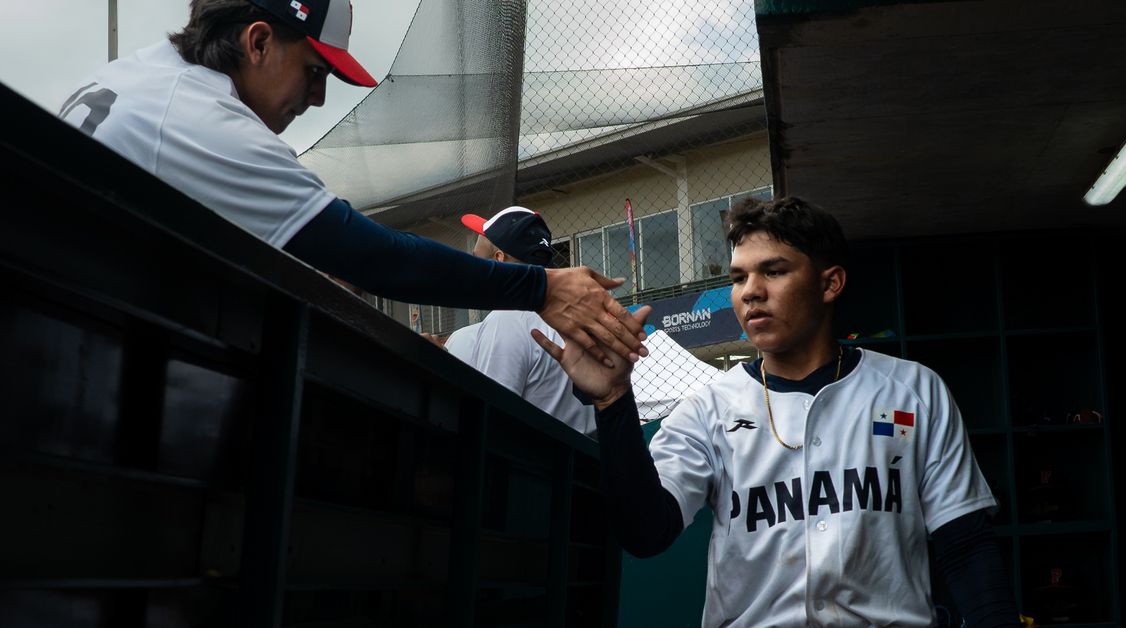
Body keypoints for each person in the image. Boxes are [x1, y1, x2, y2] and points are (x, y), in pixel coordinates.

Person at [56, 0, 645, 367]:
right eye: (314, 71)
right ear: (258, 41)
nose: (317, 96)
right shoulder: (204, 118)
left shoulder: (141, 71)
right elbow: (371, 255)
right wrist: (541, 288)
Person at [534, 196, 1019, 627]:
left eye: (774, 270)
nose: (750, 291)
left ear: (830, 283)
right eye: (739, 276)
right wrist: (613, 401)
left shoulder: (914, 389)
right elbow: (645, 533)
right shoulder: (708, 408)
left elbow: (965, 544)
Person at [445, 206, 595, 436]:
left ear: (499, 259)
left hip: (539, 463)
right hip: (590, 456)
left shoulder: (508, 319)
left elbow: (491, 419)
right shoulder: (578, 309)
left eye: (478, 259)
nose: (475, 268)